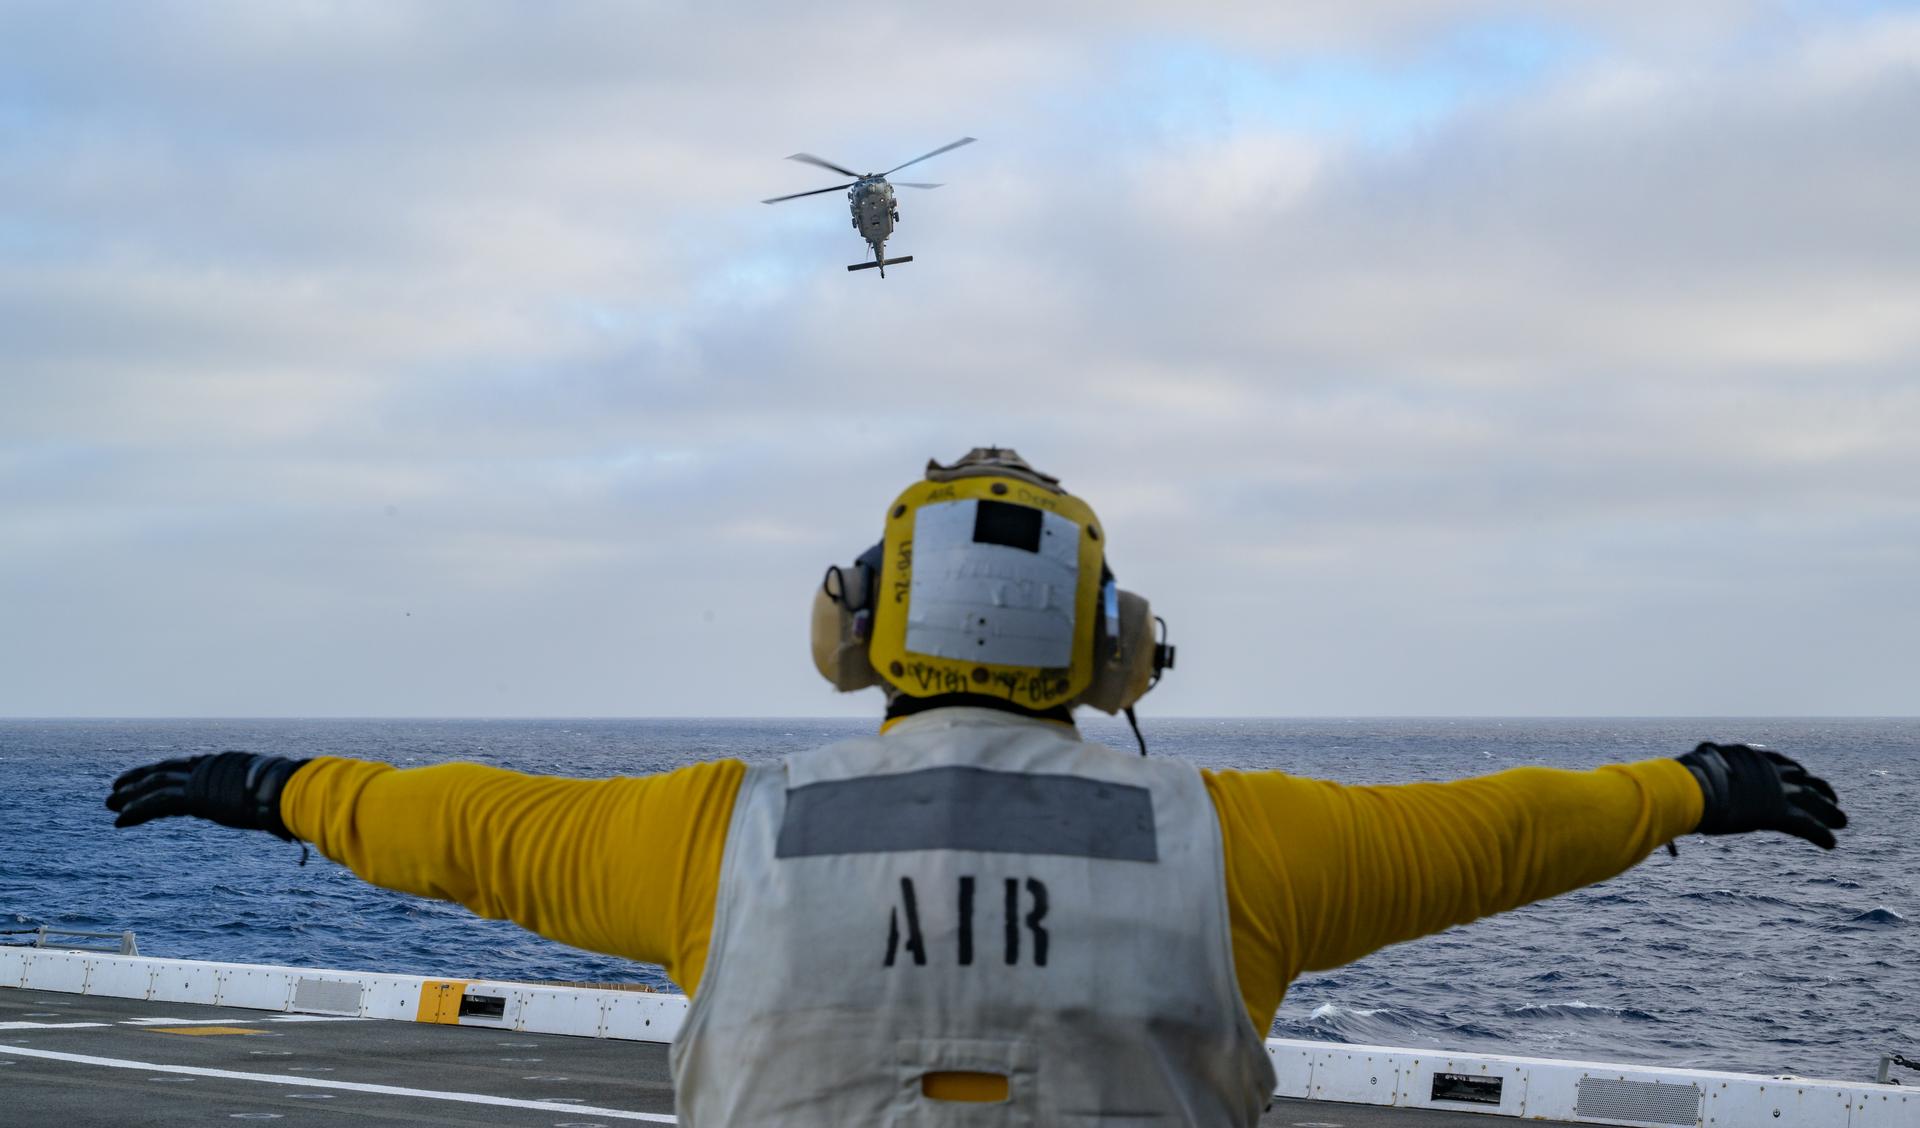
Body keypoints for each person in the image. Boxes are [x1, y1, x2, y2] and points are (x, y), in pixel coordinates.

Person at [107, 447, 1847, 1127]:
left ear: (853, 634)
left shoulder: (713, 837)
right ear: (1119, 654)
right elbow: (1506, 828)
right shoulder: (1242, 848)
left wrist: (271, 782)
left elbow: (449, 819)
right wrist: (1687, 785)